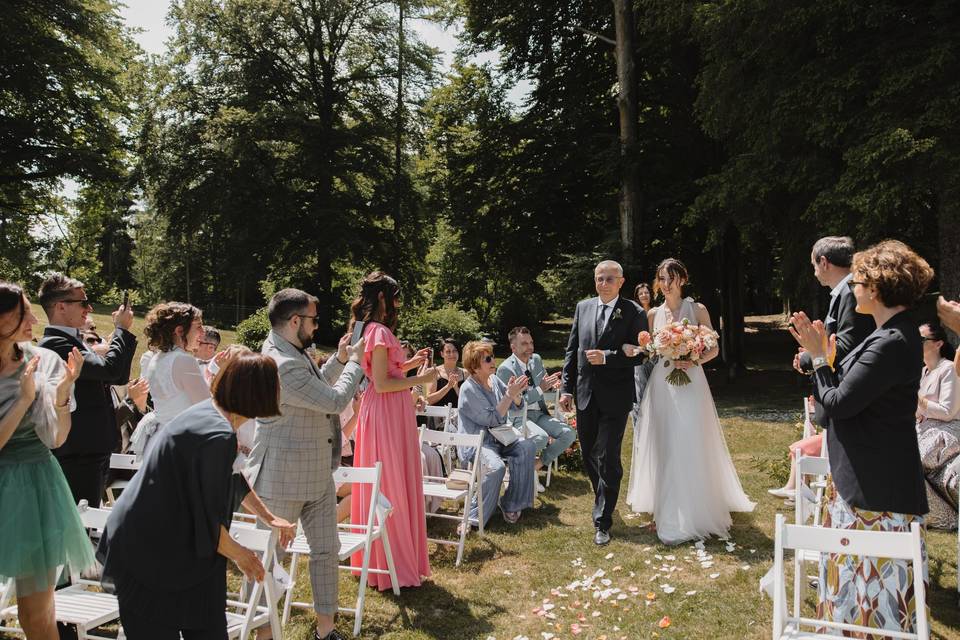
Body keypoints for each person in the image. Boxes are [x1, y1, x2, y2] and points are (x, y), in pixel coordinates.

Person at [96, 350, 296, 640]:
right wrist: (242, 556)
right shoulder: (217, 435)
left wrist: (269, 517)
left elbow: (231, 477)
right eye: (275, 384)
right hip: (149, 551)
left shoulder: (212, 415)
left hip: (183, 552)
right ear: (258, 392)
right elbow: (207, 522)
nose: (280, 391)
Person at [789, 239, 933, 636]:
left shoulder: (892, 342)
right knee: (851, 594)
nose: (853, 287)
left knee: (873, 602)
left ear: (876, 287)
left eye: (859, 281)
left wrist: (819, 357)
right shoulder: (887, 335)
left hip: (877, 492)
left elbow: (838, 402)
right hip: (866, 481)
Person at [245, 288, 365, 640]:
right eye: (313, 319)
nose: (317, 325)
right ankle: (261, 630)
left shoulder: (290, 351)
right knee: (269, 558)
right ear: (294, 320)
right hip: (281, 477)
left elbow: (314, 387)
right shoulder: (281, 363)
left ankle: (325, 631)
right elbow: (334, 399)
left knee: (327, 550)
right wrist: (356, 364)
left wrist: (340, 360)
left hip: (316, 473)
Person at [626, 258, 754, 545]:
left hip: (691, 382)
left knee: (689, 439)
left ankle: (694, 506)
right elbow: (648, 351)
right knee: (664, 441)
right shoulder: (654, 314)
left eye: (671, 277)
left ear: (682, 280)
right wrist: (640, 349)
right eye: (661, 277)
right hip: (661, 384)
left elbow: (713, 347)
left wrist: (693, 358)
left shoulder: (696, 309)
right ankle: (664, 505)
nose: (666, 283)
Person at [0, 282, 88, 640]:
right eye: (23, 312)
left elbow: (56, 438)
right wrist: (23, 399)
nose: (33, 318)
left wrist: (63, 395)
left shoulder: (44, 360)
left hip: (36, 488)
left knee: (37, 616)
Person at [348, 272, 437, 590]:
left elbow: (384, 373)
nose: (400, 302)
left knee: (389, 477)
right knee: (392, 481)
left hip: (384, 409)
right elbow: (384, 384)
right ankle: (393, 563)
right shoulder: (379, 331)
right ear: (383, 297)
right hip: (387, 409)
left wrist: (411, 364)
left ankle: (380, 562)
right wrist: (422, 380)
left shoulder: (370, 330)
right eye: (396, 295)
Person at [559, 260, 647, 545]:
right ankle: (604, 497)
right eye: (599, 278)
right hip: (585, 394)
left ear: (621, 281)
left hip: (615, 397)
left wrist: (609, 356)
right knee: (588, 454)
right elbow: (572, 351)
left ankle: (603, 520)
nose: (604, 283)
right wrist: (566, 389)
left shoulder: (633, 311)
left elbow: (643, 354)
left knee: (608, 457)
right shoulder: (583, 308)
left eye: (610, 278)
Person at [38, 272, 137, 507]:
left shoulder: (75, 341)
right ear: (61, 306)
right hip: (78, 454)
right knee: (82, 524)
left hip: (94, 450)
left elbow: (119, 376)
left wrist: (122, 334)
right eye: (83, 302)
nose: (89, 308)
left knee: (89, 521)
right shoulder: (56, 344)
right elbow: (111, 369)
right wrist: (120, 330)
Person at [793, 237, 873, 423]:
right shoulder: (845, 292)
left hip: (848, 399)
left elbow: (847, 345)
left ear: (824, 262)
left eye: (814, 265)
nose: (814, 273)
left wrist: (807, 357)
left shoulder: (851, 293)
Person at [458, 340, 537, 526]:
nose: (493, 360)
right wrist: (509, 395)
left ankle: (510, 504)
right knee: (496, 468)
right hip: (478, 443)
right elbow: (492, 418)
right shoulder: (468, 389)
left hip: (500, 438)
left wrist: (516, 393)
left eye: (492, 356)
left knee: (527, 447)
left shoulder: (493, 379)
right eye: (487, 358)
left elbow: (519, 405)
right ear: (475, 366)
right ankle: (474, 516)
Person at [497, 326, 575, 490]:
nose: (530, 347)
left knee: (568, 433)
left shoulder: (536, 359)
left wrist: (554, 386)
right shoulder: (505, 369)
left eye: (531, 343)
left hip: (539, 413)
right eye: (524, 344)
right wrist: (541, 388)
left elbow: (544, 382)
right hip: (517, 416)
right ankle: (519, 468)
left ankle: (534, 466)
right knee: (540, 438)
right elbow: (513, 404)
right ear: (513, 347)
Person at [132, 302, 210, 458]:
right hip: (181, 442)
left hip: (161, 439)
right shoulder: (183, 361)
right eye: (198, 327)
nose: (203, 332)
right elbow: (207, 409)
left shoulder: (158, 358)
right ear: (179, 331)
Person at [915, 322, 960, 529]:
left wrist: (917, 399)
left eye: (922, 338)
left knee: (904, 456)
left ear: (938, 343)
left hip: (943, 434)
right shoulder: (923, 372)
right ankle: (946, 517)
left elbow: (947, 411)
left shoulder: (949, 368)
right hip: (923, 432)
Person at [630, 283, 656, 429]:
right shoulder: (634, 314)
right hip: (639, 358)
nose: (644, 295)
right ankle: (639, 429)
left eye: (646, 292)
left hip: (655, 358)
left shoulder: (656, 312)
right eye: (641, 293)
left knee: (655, 393)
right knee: (640, 394)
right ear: (637, 296)